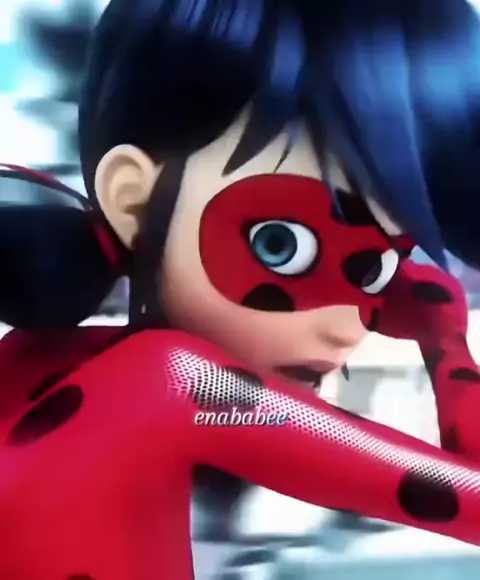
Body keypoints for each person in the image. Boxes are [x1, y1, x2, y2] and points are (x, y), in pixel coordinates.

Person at [1, 0, 480, 578]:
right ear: (133, 201)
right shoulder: (180, 383)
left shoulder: (30, 358)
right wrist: (444, 336)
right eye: (282, 244)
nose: (347, 327)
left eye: (376, 267)